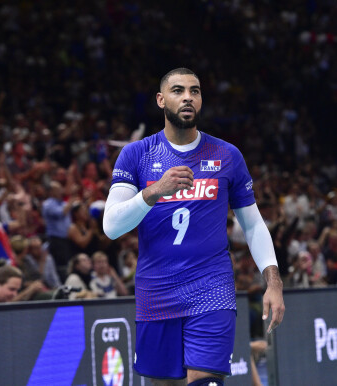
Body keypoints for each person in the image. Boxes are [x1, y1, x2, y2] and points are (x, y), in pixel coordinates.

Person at [103, 68, 284, 385]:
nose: (187, 96)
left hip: (212, 291)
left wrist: (274, 281)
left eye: (195, 91)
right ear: (161, 100)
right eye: (178, 90)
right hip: (156, 293)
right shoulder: (136, 154)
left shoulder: (227, 155)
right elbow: (111, 226)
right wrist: (154, 191)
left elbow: (253, 224)